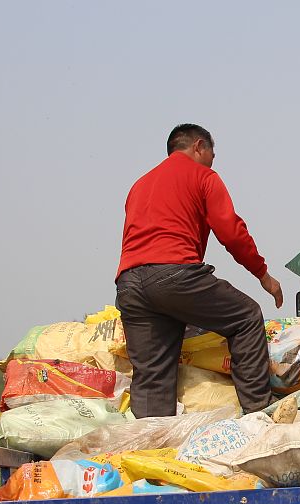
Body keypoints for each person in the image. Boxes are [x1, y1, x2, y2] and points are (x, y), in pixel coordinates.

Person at [115, 123, 283, 418]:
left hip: (130, 284)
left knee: (153, 375)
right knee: (245, 317)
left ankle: (152, 452)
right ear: (199, 146)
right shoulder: (203, 176)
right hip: (174, 275)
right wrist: (263, 275)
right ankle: (259, 413)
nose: (212, 160)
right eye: (212, 154)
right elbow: (231, 232)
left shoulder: (139, 185)